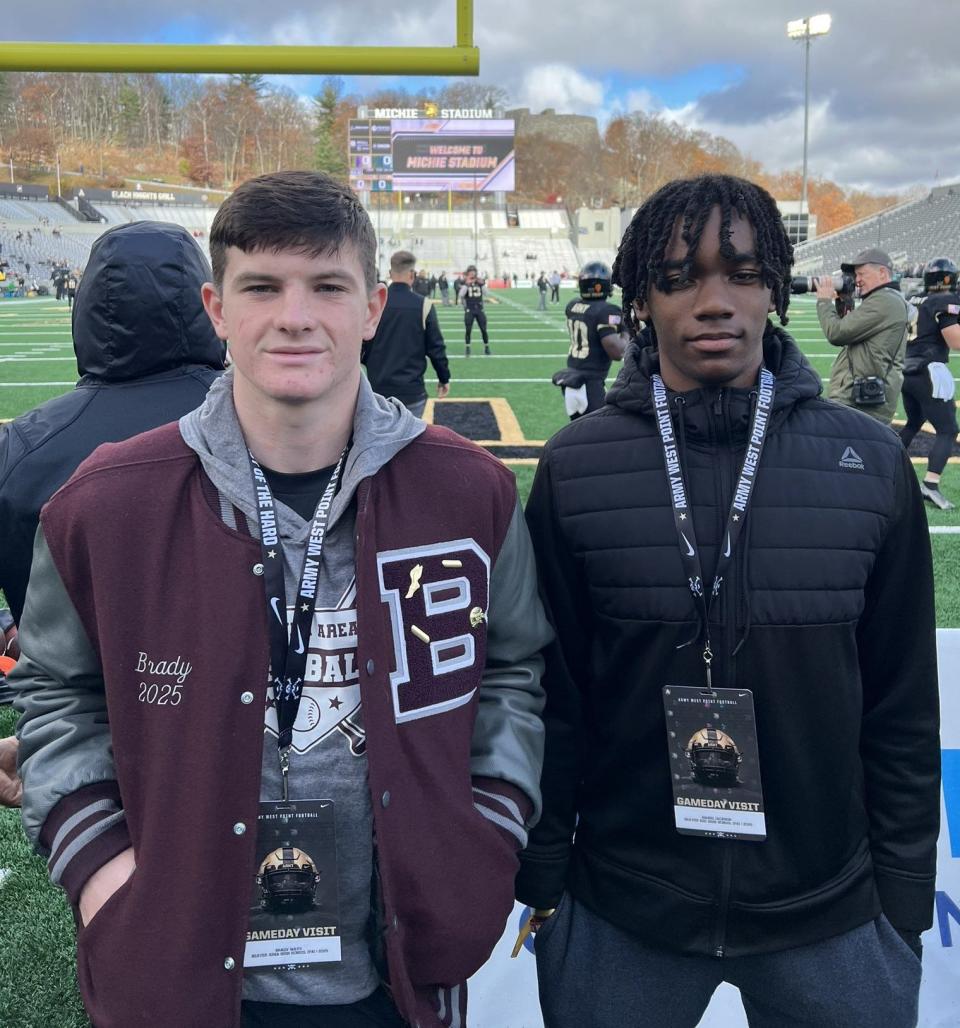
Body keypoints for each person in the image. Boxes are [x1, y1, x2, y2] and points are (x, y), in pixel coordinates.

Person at [11, 170, 551, 1028]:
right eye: (261, 286)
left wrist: (487, 831)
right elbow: (54, 695)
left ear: (374, 306)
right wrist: (104, 873)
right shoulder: (107, 503)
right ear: (215, 309)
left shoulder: (468, 492)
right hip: (178, 966)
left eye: (327, 286)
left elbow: (513, 672)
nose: (295, 315)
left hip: (399, 974)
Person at [517, 174, 939, 1028]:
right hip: (624, 906)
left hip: (830, 910)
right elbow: (552, 694)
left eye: (741, 274)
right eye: (679, 277)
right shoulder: (576, 466)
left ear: (774, 287)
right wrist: (547, 879)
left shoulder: (868, 461)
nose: (714, 301)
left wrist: (901, 902)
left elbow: (901, 702)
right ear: (640, 298)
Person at [816, 248, 910, 424]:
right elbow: (849, 330)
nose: (857, 280)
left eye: (861, 274)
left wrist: (823, 300)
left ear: (882, 273)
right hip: (860, 400)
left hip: (862, 404)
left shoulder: (884, 300)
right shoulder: (884, 299)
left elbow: (836, 333)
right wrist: (842, 301)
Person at [899, 257, 960, 510]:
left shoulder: (914, 297)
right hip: (929, 370)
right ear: (949, 278)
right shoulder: (944, 301)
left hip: (907, 369)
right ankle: (931, 485)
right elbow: (955, 341)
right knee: (948, 430)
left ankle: (885, 466)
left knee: (914, 422)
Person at [361, 249, 451, 418]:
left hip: (377, 390)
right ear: (412, 274)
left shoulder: (373, 304)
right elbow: (436, 349)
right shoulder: (423, 305)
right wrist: (444, 378)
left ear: (390, 273)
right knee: (410, 443)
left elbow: (360, 346)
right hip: (411, 392)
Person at [554, 261, 627, 419]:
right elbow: (617, 352)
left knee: (579, 434)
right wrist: (626, 328)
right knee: (601, 435)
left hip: (572, 382)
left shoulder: (572, 306)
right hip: (590, 384)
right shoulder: (607, 311)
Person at [459, 265, 492, 356]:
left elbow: (487, 293)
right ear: (468, 273)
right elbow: (461, 294)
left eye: (474, 271)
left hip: (479, 309)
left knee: (483, 329)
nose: (472, 273)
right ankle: (468, 347)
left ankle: (487, 347)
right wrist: (467, 284)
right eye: (471, 271)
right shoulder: (465, 282)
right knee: (468, 330)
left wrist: (482, 284)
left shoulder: (480, 281)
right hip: (470, 309)